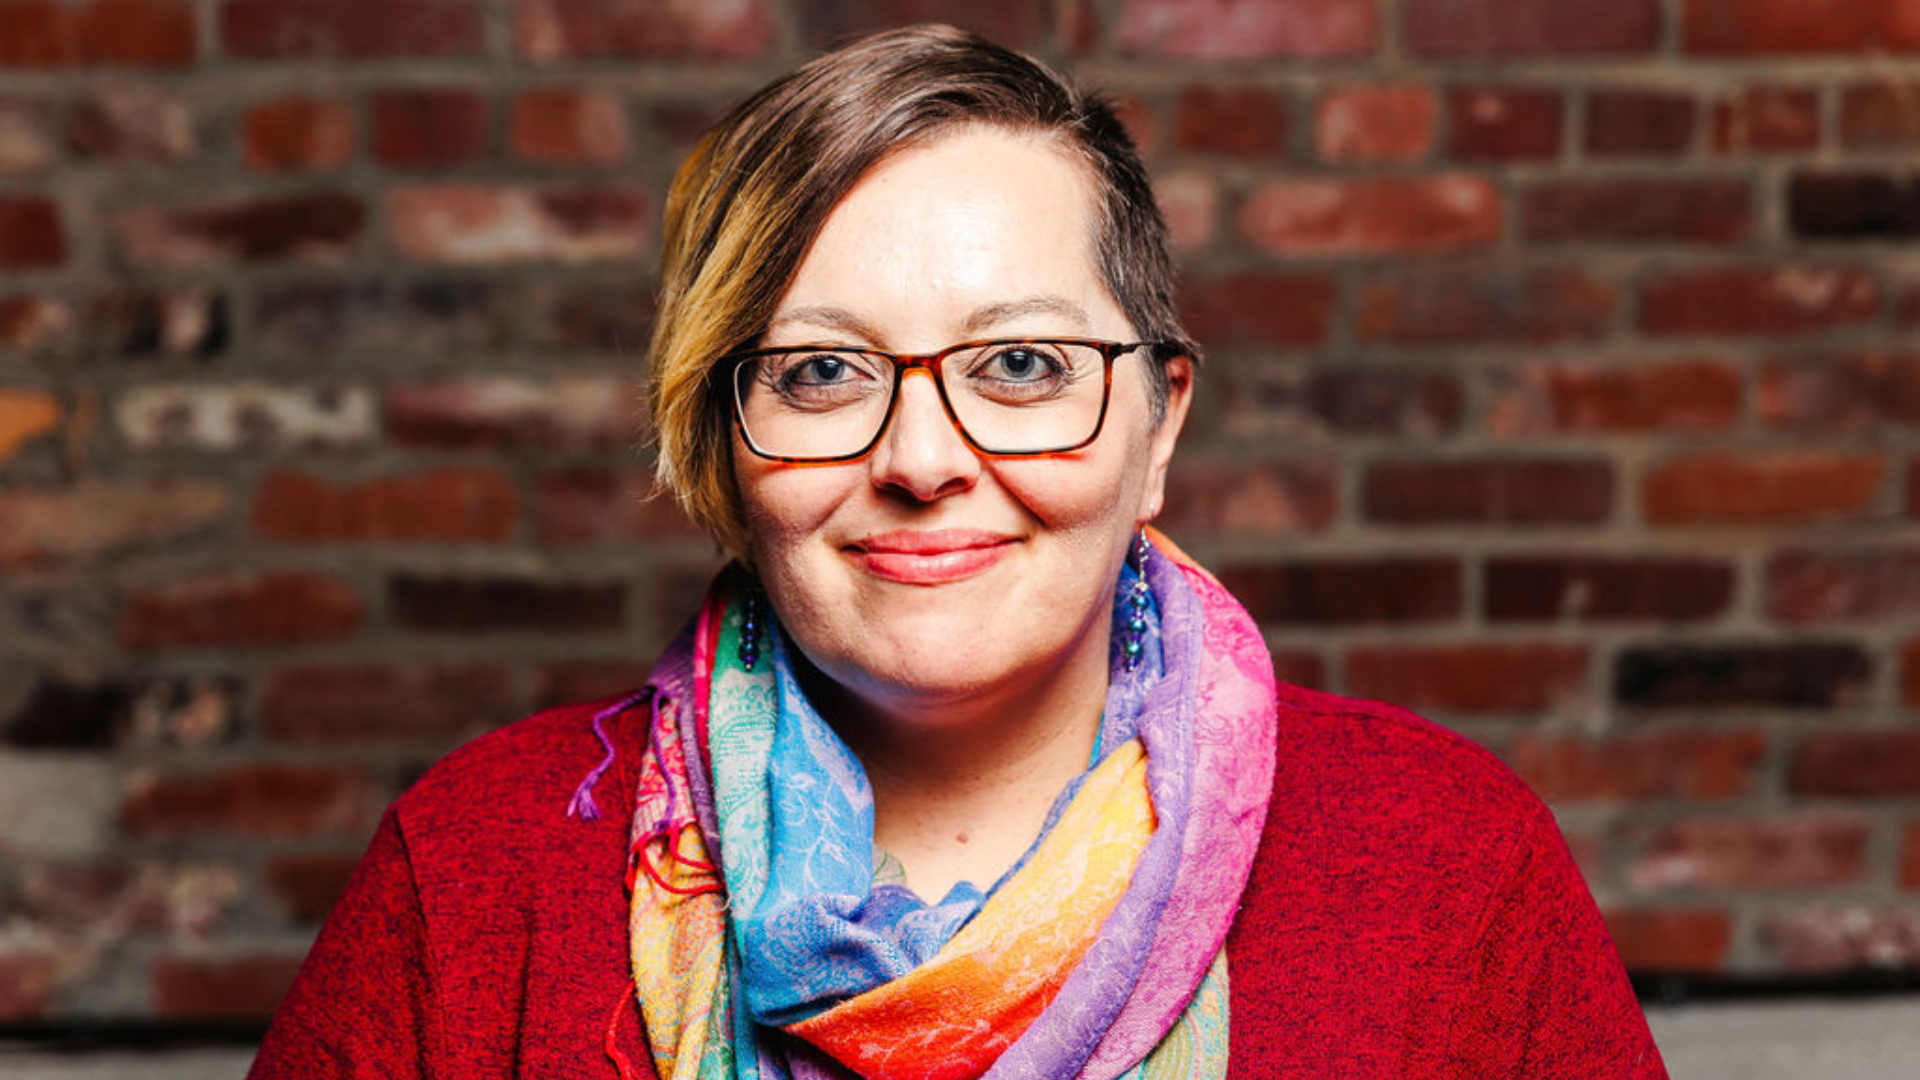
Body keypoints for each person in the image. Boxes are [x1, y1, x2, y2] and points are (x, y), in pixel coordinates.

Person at [250, 24, 1667, 1080]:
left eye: (1025, 363)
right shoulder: (477, 871)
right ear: (720, 441)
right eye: (818, 374)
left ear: (1155, 428)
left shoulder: (1446, 867)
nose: (923, 459)